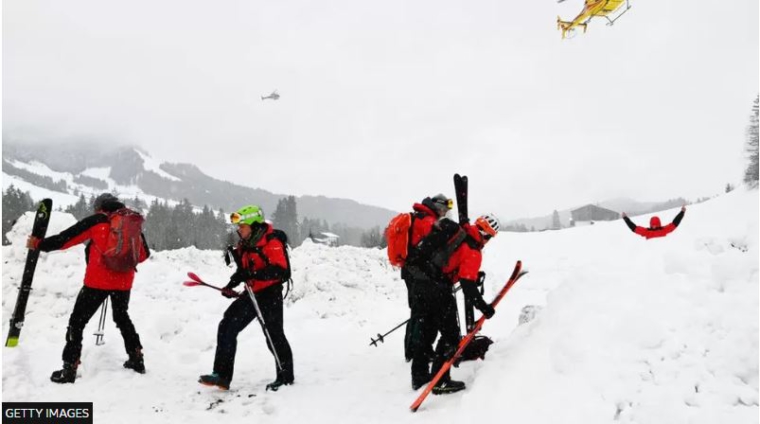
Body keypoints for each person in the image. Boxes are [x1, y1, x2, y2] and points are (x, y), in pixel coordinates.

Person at [26, 193, 150, 384]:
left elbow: (65, 239)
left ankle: (69, 368)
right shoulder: (130, 223)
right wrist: (119, 259)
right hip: (123, 283)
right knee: (122, 317)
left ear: (99, 207)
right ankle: (136, 358)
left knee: (77, 322)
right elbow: (143, 255)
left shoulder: (97, 221)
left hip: (97, 283)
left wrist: (39, 244)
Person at [199, 205, 294, 391]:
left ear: (253, 226)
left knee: (273, 335)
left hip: (271, 294)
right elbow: (243, 271)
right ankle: (222, 376)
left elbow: (281, 271)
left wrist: (253, 274)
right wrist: (230, 285)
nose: (239, 230)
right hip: (252, 293)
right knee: (227, 325)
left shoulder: (272, 241)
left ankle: (285, 377)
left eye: (242, 226)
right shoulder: (246, 244)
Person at [406, 213, 500, 394]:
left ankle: (419, 376)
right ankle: (440, 381)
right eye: (489, 237)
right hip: (438, 290)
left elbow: (454, 264)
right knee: (451, 337)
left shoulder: (460, 232)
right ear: (486, 235)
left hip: (420, 283)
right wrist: (485, 308)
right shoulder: (473, 250)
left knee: (426, 331)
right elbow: (468, 286)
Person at [401, 194, 453, 361]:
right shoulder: (428, 221)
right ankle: (417, 351)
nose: (444, 213)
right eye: (444, 210)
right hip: (418, 272)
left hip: (410, 270)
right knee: (421, 314)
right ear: (438, 207)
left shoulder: (419, 217)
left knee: (417, 311)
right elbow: (431, 250)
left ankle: (412, 350)